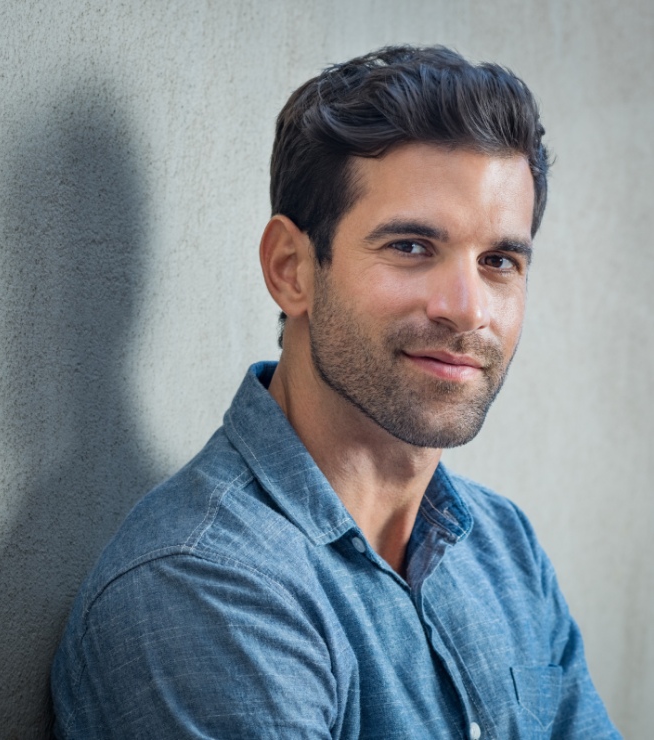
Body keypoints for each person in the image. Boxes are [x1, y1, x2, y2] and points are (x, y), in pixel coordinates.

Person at [51, 45, 621, 739]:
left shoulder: (504, 550)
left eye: (499, 261)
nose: (467, 309)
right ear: (291, 269)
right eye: (411, 247)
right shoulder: (203, 584)